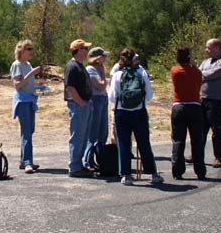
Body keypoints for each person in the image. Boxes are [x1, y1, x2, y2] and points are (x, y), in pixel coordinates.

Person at [108, 48, 163, 185]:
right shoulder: (142, 73)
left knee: (124, 144)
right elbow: (149, 95)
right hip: (140, 112)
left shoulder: (117, 74)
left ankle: (126, 175)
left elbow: (112, 98)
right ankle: (153, 174)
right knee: (144, 143)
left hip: (122, 112)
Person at [170, 46, 206, 180]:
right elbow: (199, 81)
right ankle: (200, 170)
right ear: (189, 57)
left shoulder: (175, 71)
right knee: (197, 139)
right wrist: (194, 65)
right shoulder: (196, 72)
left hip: (179, 105)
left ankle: (177, 170)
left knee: (178, 140)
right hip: (195, 106)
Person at [10, 40, 42, 174]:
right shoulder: (17, 65)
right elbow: (17, 84)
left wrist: (39, 86)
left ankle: (24, 161)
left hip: (30, 99)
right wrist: (32, 74)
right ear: (21, 51)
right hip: (22, 100)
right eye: (29, 49)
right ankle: (28, 162)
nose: (31, 51)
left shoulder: (28, 64)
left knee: (30, 130)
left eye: (31, 48)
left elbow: (29, 83)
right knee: (26, 131)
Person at [199, 38, 221, 168]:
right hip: (203, 99)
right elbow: (198, 74)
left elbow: (212, 74)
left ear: (217, 48)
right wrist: (199, 73)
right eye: (207, 47)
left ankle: (219, 157)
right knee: (200, 129)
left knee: (216, 130)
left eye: (209, 47)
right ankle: (197, 154)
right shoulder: (205, 62)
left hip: (217, 101)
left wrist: (200, 73)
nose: (207, 50)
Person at [65, 39, 94, 177]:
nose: (87, 51)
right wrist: (81, 102)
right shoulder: (72, 66)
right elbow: (70, 88)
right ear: (79, 50)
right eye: (85, 49)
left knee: (83, 136)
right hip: (77, 106)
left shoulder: (80, 65)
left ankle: (79, 165)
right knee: (77, 136)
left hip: (84, 104)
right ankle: (74, 167)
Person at [83, 46, 109, 168]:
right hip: (96, 100)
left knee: (103, 131)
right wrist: (103, 73)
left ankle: (101, 159)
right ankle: (88, 160)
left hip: (103, 99)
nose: (105, 59)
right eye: (103, 56)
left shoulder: (99, 69)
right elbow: (101, 85)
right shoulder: (90, 69)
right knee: (93, 132)